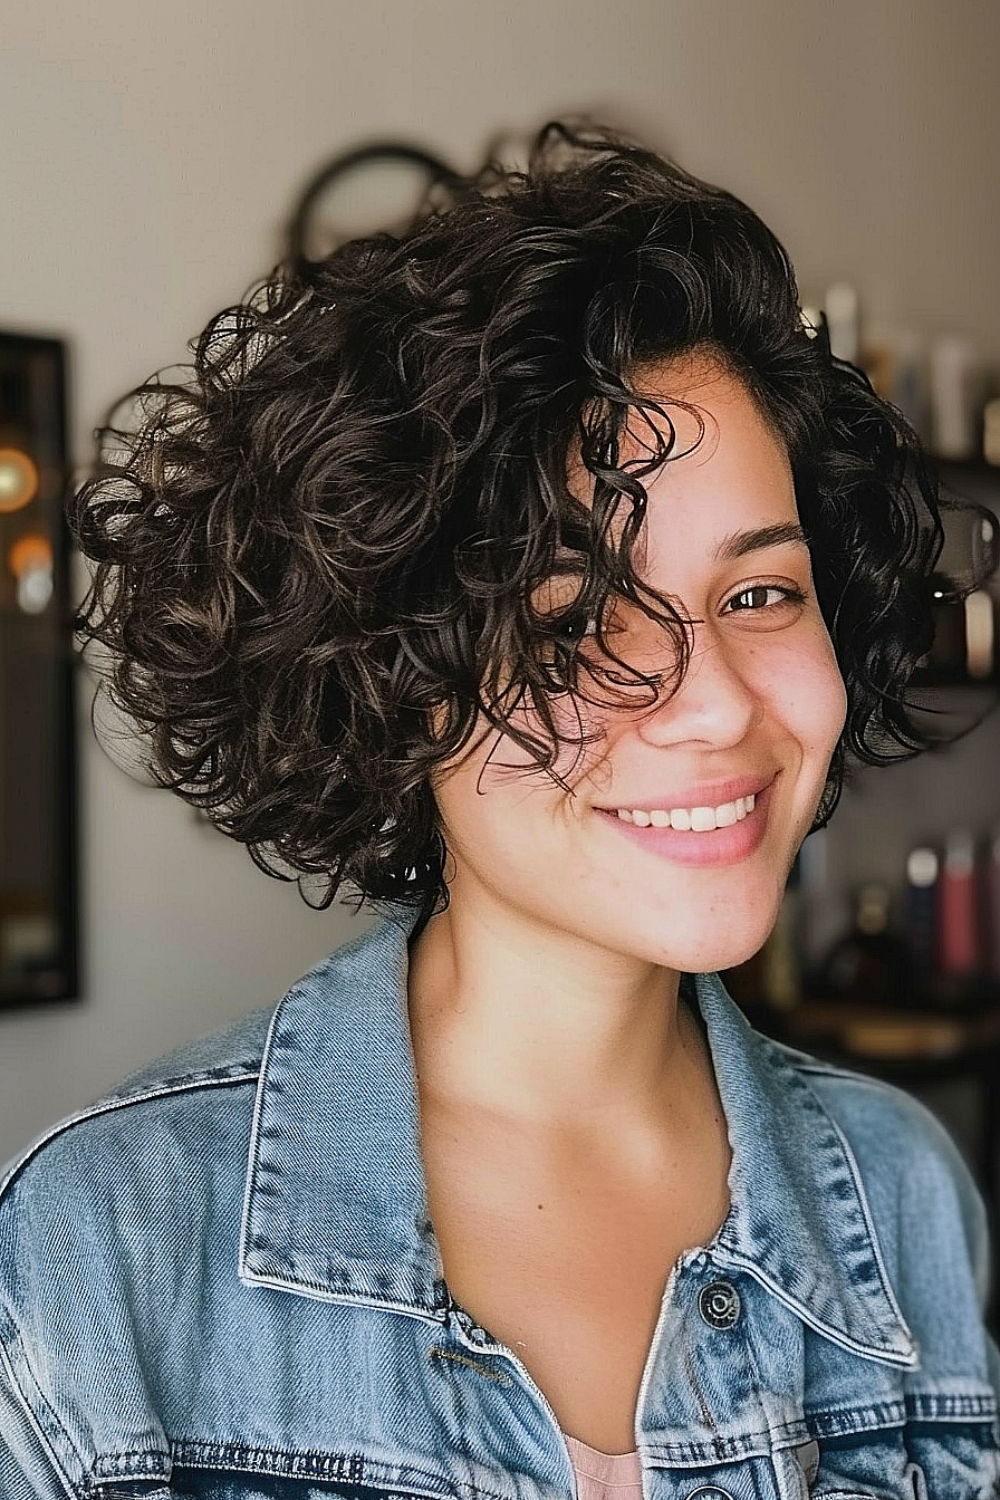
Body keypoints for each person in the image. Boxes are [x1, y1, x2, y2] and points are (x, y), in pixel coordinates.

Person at [1, 121, 998, 1500]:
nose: (712, 705)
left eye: (761, 593)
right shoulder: (91, 1254)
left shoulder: (904, 1197)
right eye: (578, 616)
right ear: (394, 680)